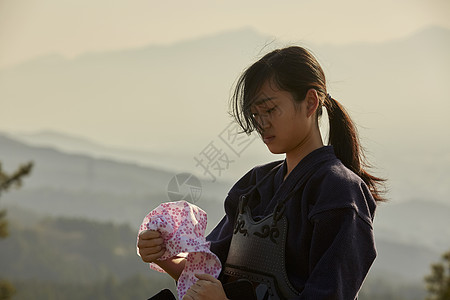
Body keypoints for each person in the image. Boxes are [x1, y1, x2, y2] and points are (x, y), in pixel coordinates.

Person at [138, 46, 385, 299]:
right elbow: (210, 273)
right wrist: (163, 254)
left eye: (270, 110)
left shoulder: (339, 193)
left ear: (310, 102)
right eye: (255, 114)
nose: (261, 123)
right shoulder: (255, 185)